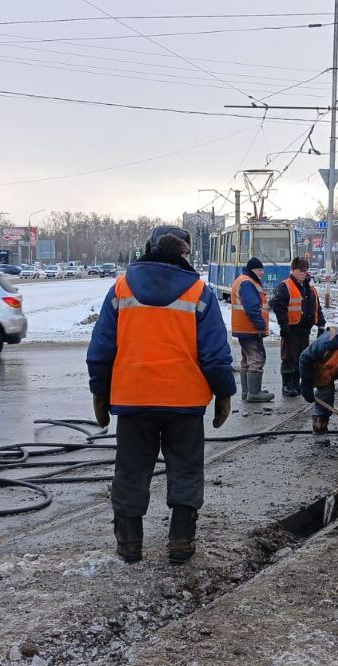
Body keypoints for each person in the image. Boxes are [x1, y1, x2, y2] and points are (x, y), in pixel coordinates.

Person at [86, 225, 236, 564]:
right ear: (184, 253)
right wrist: (224, 393)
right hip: (184, 402)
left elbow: (101, 349)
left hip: (133, 400)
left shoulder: (121, 288)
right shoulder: (199, 292)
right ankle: (181, 542)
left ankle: (129, 544)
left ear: (147, 248)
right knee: (185, 470)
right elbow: (214, 353)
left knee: (130, 471)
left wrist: (100, 393)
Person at [270, 256, 325, 398]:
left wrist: (321, 323)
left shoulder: (310, 289)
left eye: (305, 271)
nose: (303, 273)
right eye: (300, 270)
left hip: (304, 330)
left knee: (302, 358)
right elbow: (278, 306)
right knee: (289, 358)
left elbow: (316, 308)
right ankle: (288, 385)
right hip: (291, 329)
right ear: (293, 270)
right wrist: (284, 325)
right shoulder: (285, 286)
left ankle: (296, 383)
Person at [230, 257, 275, 402]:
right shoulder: (248, 283)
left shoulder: (243, 280)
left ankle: (247, 391)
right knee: (257, 358)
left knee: (247, 359)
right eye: (259, 270)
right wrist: (261, 324)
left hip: (242, 327)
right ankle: (254, 393)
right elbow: (252, 307)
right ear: (252, 270)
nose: (262, 273)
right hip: (250, 328)